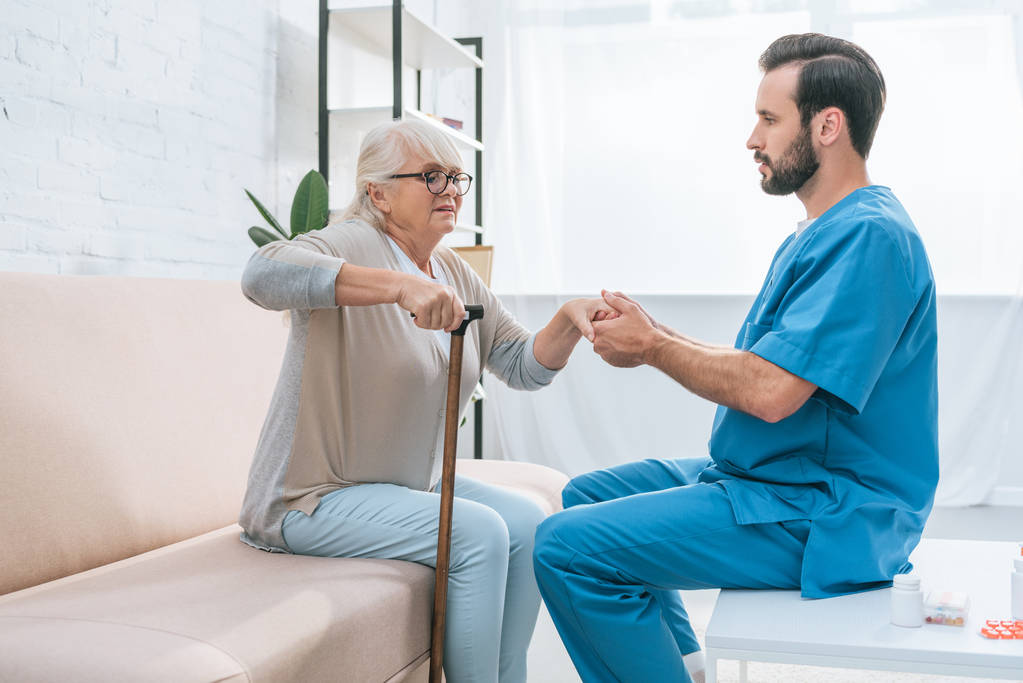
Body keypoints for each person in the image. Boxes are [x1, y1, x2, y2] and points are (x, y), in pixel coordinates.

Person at [533, 33, 938, 683]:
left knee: (566, 548)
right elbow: (765, 364)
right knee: (582, 495)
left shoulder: (869, 235)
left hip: (826, 509)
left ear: (827, 125)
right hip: (773, 478)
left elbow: (770, 392)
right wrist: (650, 331)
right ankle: (688, 669)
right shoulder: (820, 230)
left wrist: (653, 346)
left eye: (769, 119)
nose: (752, 138)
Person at [238, 119, 612, 683]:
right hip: (310, 497)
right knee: (478, 531)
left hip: (406, 483)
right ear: (378, 194)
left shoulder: (452, 269)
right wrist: (397, 287)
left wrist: (568, 322)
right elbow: (261, 273)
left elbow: (521, 365)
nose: (452, 192)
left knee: (531, 523)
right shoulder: (354, 243)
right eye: (432, 177)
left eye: (457, 178)